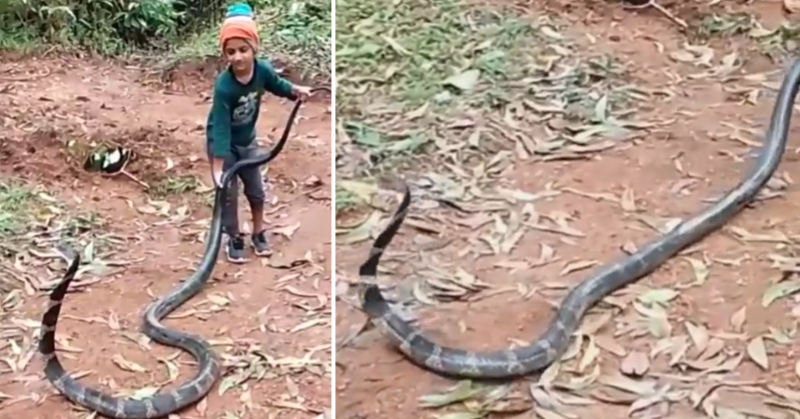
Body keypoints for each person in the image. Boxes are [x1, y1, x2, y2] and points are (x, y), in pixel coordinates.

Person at [206, 2, 312, 264]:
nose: (238, 57)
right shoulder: (224, 87)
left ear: (254, 48)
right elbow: (220, 128)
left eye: (243, 49)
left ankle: (258, 231)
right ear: (225, 54)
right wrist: (218, 167)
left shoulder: (262, 70)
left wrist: (296, 90)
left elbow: (277, 84)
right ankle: (234, 236)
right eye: (231, 52)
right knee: (228, 192)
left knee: (255, 189)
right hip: (224, 145)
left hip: (246, 141)